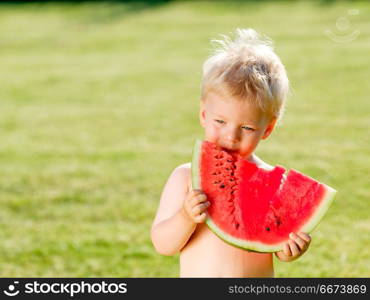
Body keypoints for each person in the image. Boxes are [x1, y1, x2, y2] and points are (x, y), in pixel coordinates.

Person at [151, 28, 311, 277]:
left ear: (267, 129)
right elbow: (163, 244)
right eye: (220, 122)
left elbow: (276, 242)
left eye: (247, 128)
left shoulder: (274, 184)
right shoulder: (186, 177)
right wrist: (185, 216)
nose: (231, 136)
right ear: (204, 115)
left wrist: (289, 249)